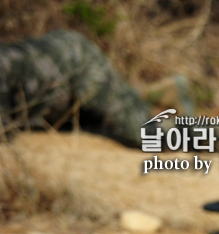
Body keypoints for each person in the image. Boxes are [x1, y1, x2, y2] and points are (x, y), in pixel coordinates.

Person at [0, 29, 185, 148]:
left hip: (77, 65)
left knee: (146, 134)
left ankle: (209, 132)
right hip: (58, 98)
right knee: (95, 122)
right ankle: (157, 94)